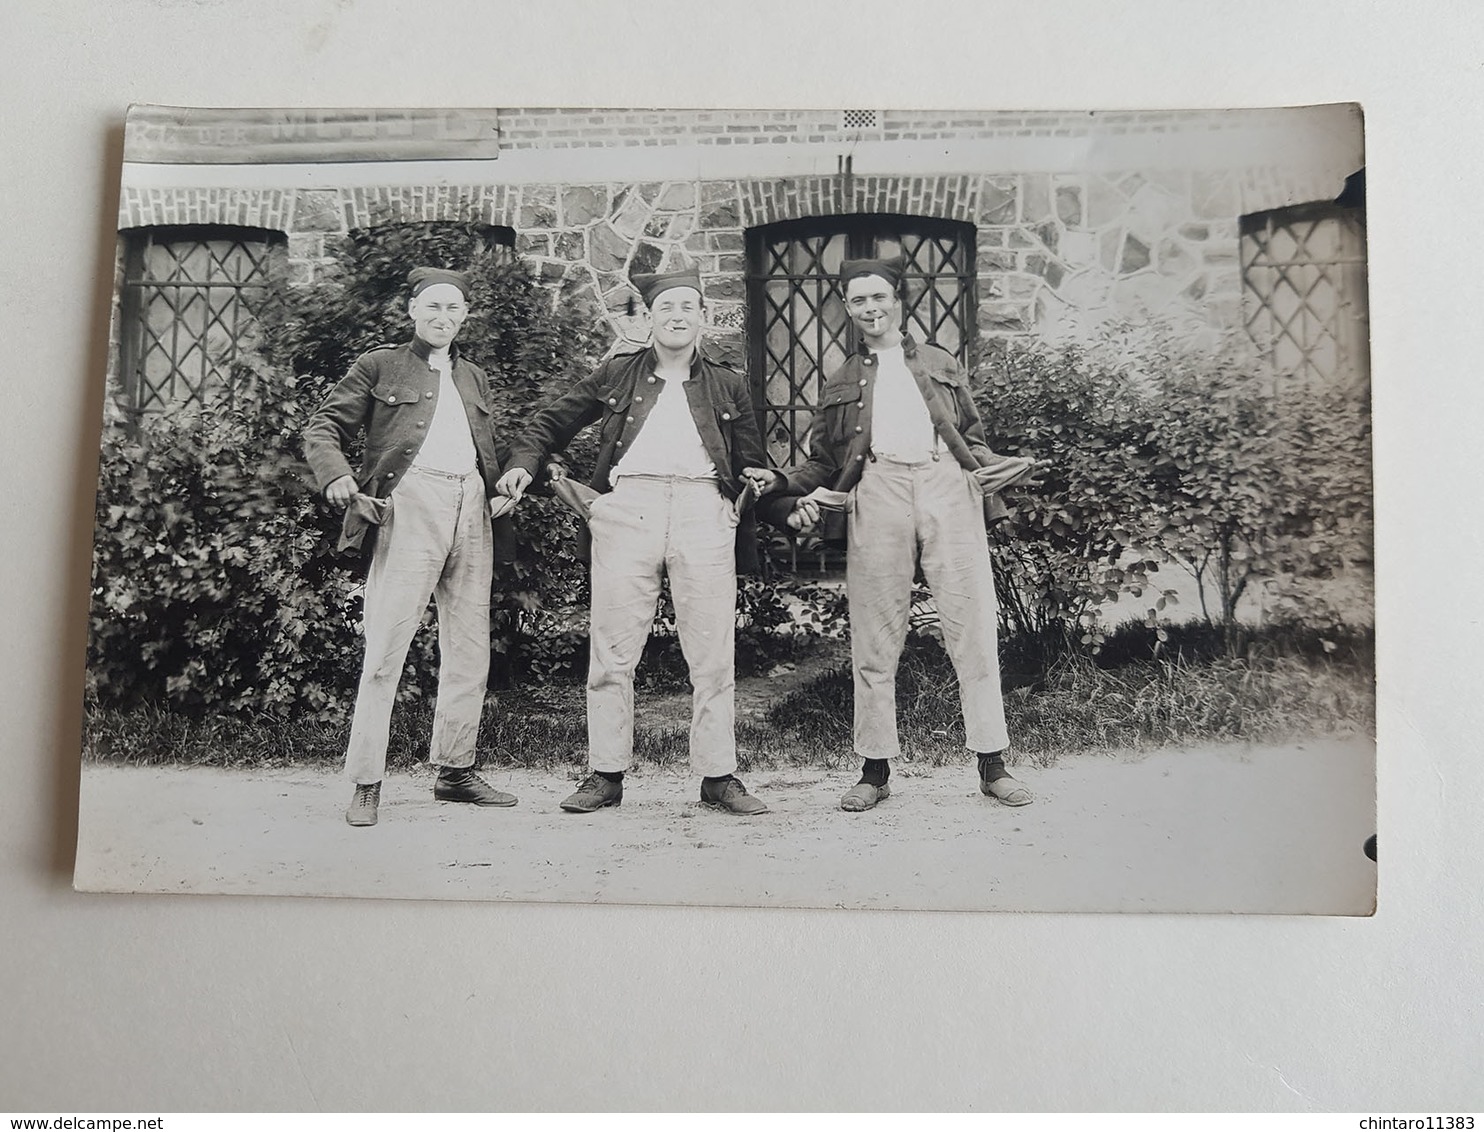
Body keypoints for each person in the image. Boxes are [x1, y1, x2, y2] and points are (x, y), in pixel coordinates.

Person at [745, 256, 1037, 813]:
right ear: (849, 309)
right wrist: (782, 483)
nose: (870, 308)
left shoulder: (939, 361)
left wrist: (996, 466)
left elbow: (971, 437)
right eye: (858, 300)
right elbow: (822, 464)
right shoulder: (841, 380)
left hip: (947, 486)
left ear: (898, 300)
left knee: (973, 626)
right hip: (876, 492)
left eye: (879, 297)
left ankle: (993, 765)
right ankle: (874, 770)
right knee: (875, 637)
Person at [496, 267, 770, 816]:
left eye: (687, 307)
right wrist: (525, 465)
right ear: (648, 317)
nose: (676, 316)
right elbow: (549, 424)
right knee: (613, 652)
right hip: (629, 511)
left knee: (713, 655)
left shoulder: (729, 383)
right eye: (665, 307)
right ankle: (605, 774)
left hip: (703, 511)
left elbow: (751, 458)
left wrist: (758, 483)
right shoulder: (618, 374)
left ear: (702, 317)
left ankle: (718, 776)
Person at [304, 266, 518, 827]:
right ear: (413, 310)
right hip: (409, 505)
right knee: (386, 645)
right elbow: (323, 426)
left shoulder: (473, 376)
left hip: (470, 507)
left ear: (465, 316)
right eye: (432, 307)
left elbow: (485, 449)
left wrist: (500, 488)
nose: (442, 317)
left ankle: (454, 771)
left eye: (453, 309)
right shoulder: (380, 364)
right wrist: (336, 477)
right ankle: (367, 780)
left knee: (470, 647)